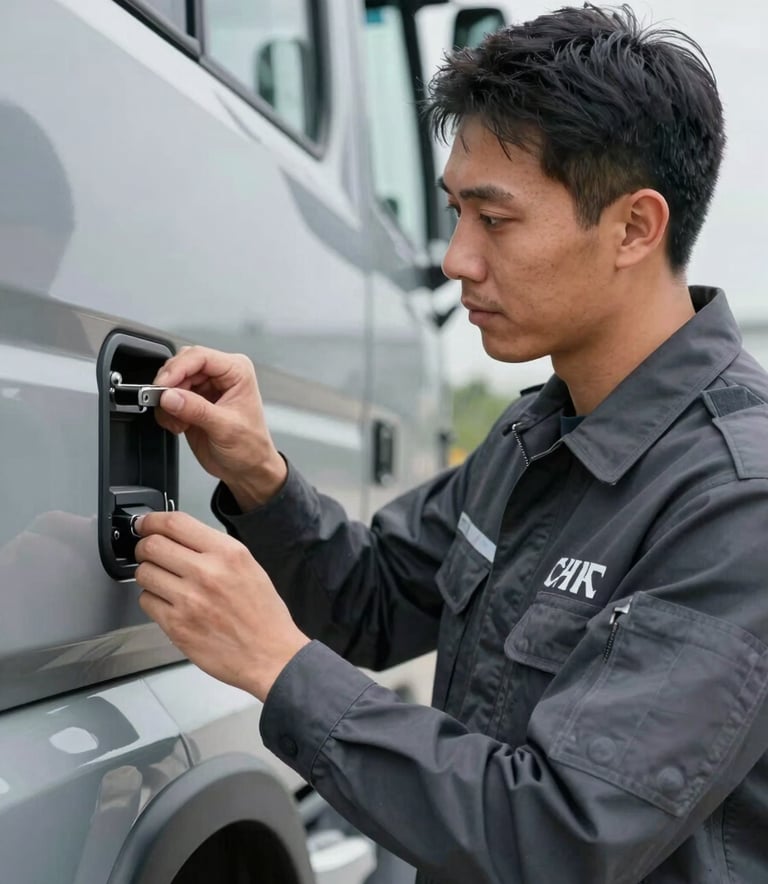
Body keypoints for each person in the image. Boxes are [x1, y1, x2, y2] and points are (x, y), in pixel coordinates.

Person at [133, 5, 768, 882]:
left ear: (633, 228)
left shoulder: (736, 500)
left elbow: (559, 834)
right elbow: (373, 600)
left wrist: (278, 666)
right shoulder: (533, 434)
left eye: (495, 220)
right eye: (453, 212)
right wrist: (260, 476)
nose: (456, 258)